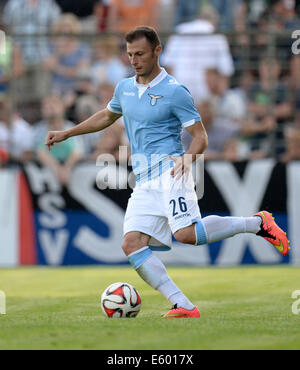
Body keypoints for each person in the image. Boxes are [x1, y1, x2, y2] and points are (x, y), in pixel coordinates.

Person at [45, 26, 290, 318]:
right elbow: (107, 115)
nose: (134, 60)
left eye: (140, 54)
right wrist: (68, 133)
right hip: (144, 179)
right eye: (130, 55)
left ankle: (257, 223)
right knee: (131, 244)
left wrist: (187, 160)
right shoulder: (124, 88)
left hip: (171, 171)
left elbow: (201, 137)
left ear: (157, 51)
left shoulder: (175, 91)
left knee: (186, 234)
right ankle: (184, 305)